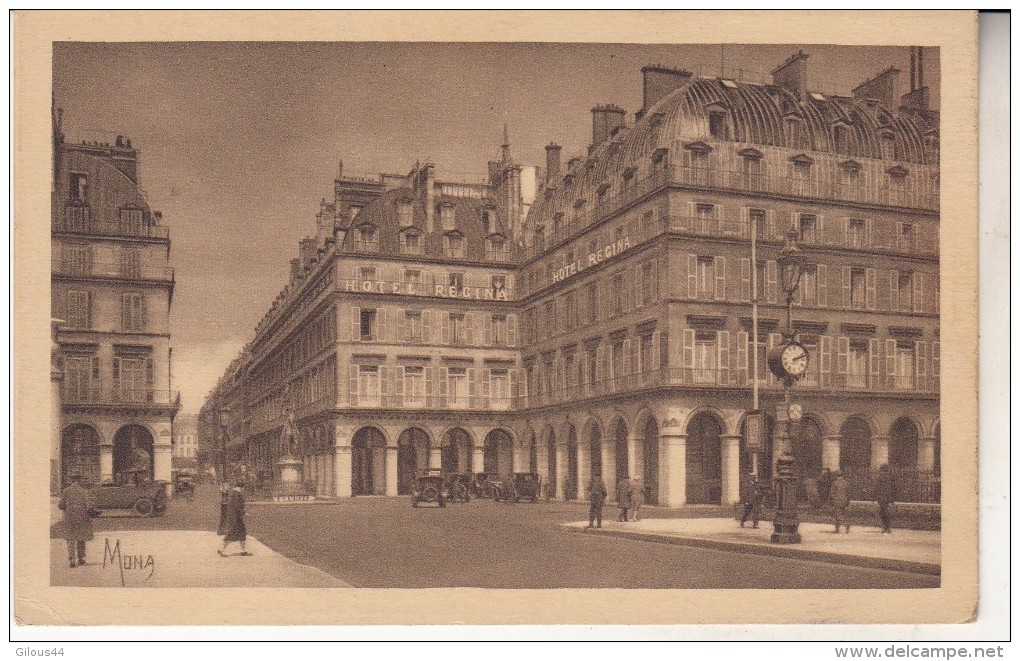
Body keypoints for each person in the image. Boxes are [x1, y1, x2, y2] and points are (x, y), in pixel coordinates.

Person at [58, 471, 95, 568]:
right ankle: (81, 559)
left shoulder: (66, 491)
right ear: (79, 480)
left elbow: (61, 505)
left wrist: (66, 507)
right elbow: (89, 506)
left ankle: (72, 560)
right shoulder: (84, 491)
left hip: (69, 517)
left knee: (70, 538)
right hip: (82, 516)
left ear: (71, 480)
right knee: (81, 538)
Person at [218, 482, 250, 556]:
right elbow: (237, 506)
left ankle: (243, 550)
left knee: (242, 533)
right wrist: (244, 513)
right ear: (241, 487)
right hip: (235, 518)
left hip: (235, 517)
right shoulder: (237, 494)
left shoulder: (233, 494)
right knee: (231, 534)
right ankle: (221, 550)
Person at [874, 464, 896, 533]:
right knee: (886, 512)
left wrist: (875, 497)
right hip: (888, 498)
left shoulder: (880, 477)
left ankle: (886, 527)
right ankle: (887, 527)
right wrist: (892, 498)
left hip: (882, 498)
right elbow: (894, 488)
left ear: (882, 469)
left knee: (883, 512)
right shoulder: (891, 477)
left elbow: (877, 488)